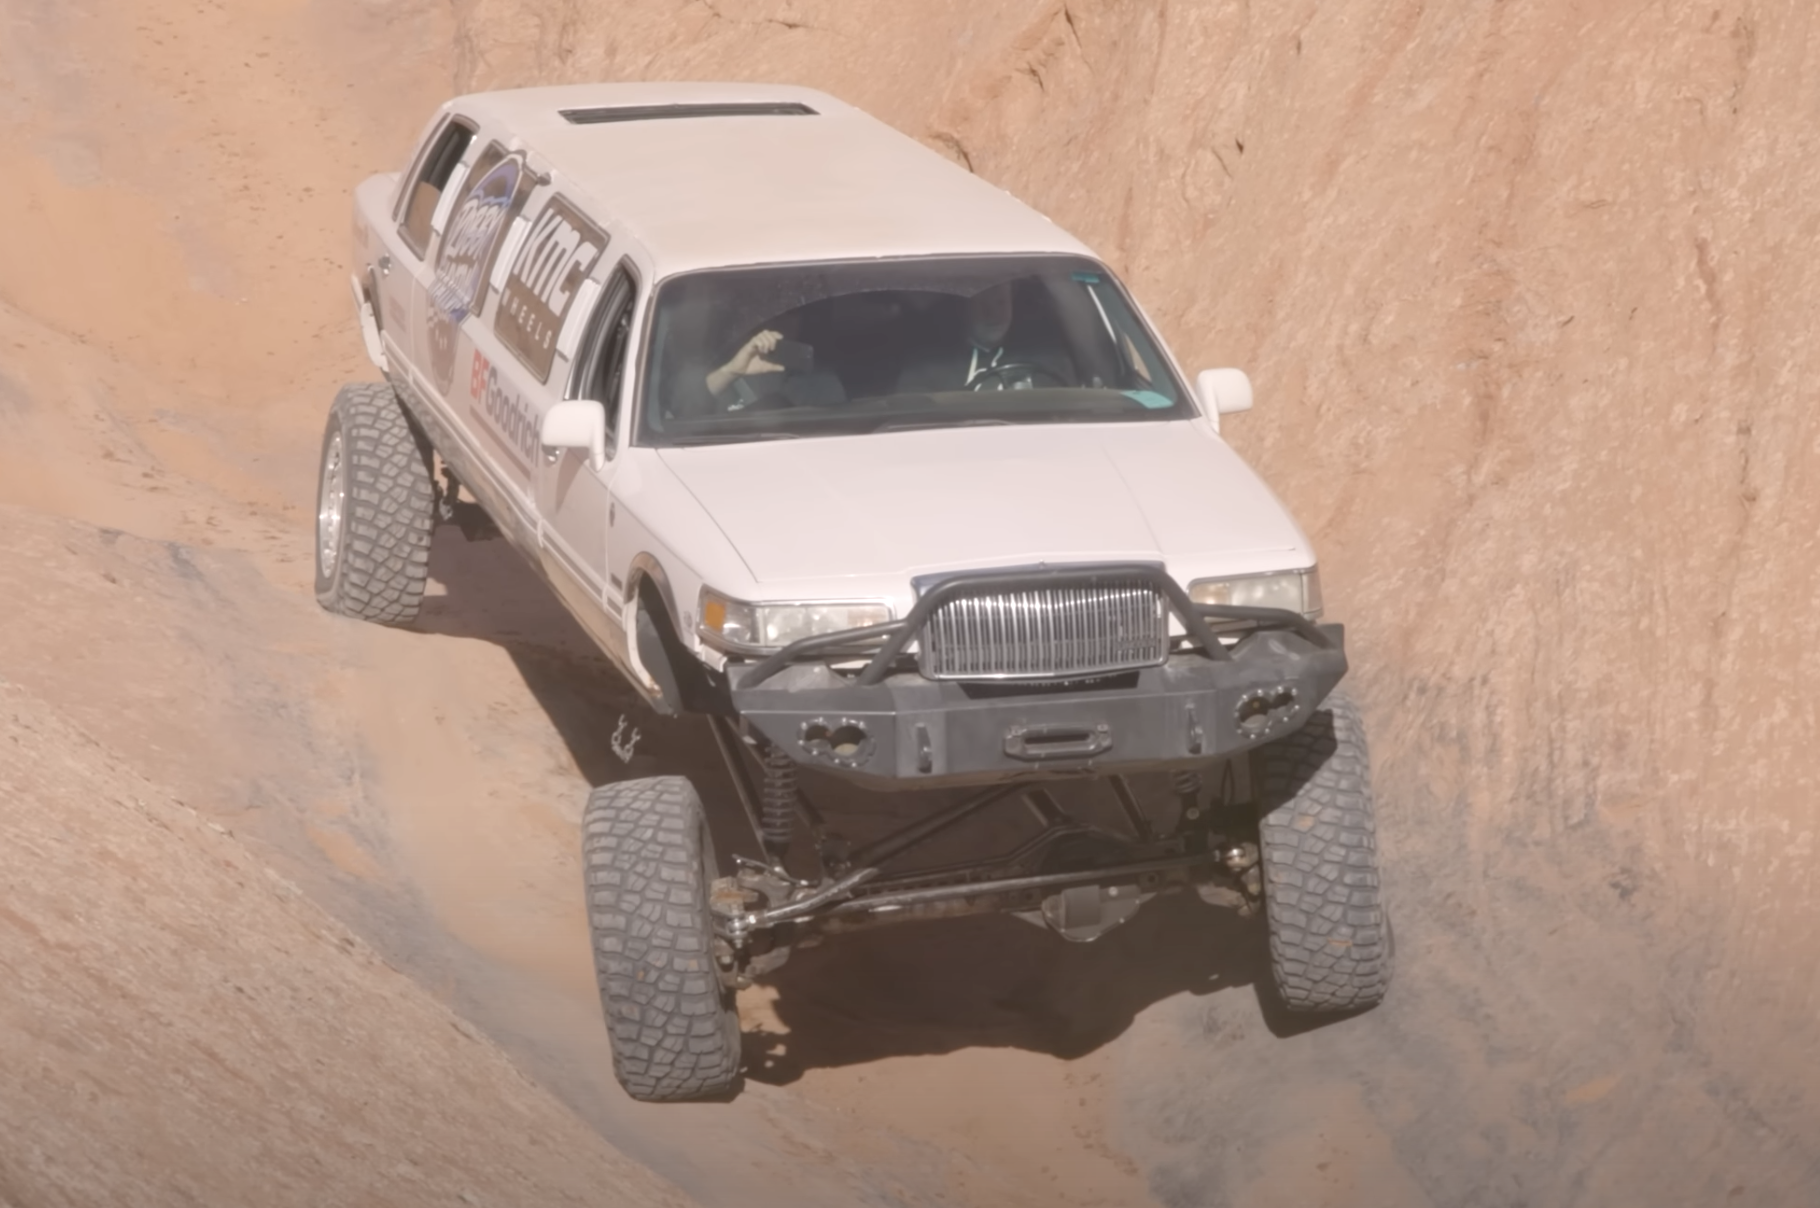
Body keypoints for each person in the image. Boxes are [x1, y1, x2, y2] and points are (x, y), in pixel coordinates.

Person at [892, 281, 1072, 395]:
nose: (994, 314)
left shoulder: (1045, 355)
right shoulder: (928, 365)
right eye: (983, 304)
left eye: (1001, 302)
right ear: (964, 308)